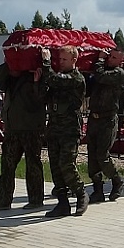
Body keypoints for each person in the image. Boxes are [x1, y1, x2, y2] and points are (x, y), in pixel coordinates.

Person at [0, 62, 46, 211]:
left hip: (31, 127)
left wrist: (37, 80)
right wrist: (8, 65)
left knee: (33, 164)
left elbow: (41, 97)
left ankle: (36, 199)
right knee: (7, 164)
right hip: (12, 127)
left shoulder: (34, 74)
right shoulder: (7, 77)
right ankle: (2, 200)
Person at [41, 46, 89, 217]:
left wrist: (46, 63)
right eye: (59, 59)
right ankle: (62, 203)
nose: (60, 63)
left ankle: (81, 194)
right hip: (54, 127)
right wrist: (38, 80)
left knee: (66, 164)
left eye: (64, 60)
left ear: (74, 60)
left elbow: (56, 80)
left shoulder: (77, 78)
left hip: (69, 129)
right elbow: (44, 96)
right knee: (55, 166)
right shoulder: (57, 77)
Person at [85, 49, 124, 203]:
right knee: (92, 156)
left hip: (107, 120)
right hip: (93, 118)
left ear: (120, 61)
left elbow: (101, 76)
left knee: (102, 155)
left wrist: (99, 61)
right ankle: (98, 189)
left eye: (114, 57)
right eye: (109, 55)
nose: (110, 59)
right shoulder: (99, 71)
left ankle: (117, 180)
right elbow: (88, 89)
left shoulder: (118, 73)